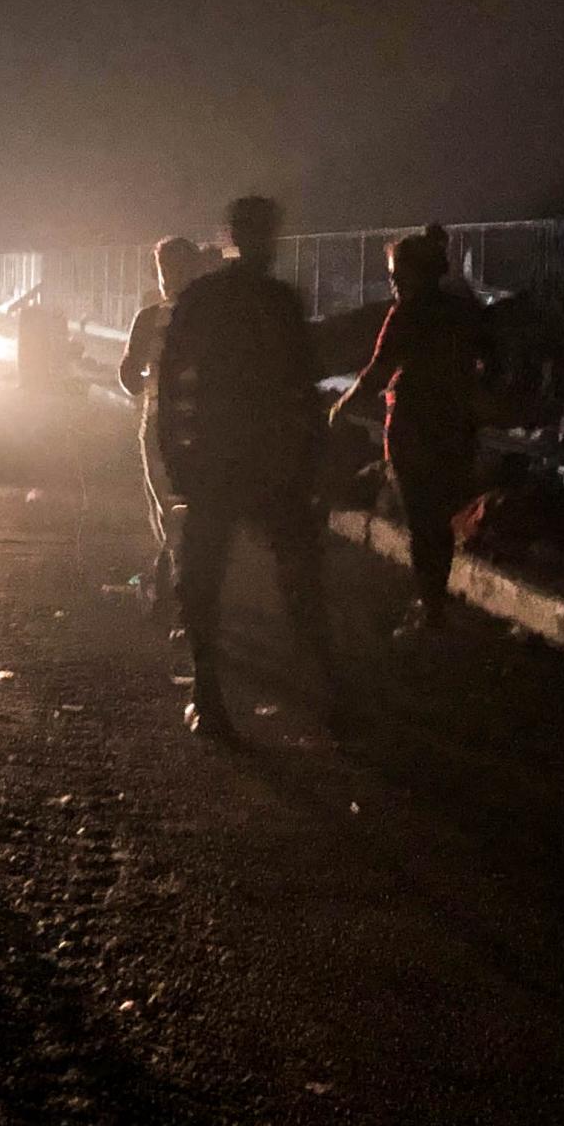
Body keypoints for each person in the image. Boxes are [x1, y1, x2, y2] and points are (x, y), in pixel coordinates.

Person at [156, 194, 330, 738]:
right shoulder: (281, 301)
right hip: (271, 459)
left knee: (204, 575)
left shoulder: (203, 299)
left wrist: (173, 450)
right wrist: (310, 457)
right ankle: (324, 688)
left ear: (230, 234)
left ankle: (208, 695)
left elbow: (168, 381)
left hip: (214, 457)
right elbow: (306, 386)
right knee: (299, 571)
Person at [333, 224, 486, 630]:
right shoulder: (461, 312)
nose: (394, 282)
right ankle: (433, 599)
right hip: (455, 427)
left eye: (397, 273)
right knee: (441, 518)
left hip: (415, 427)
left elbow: (378, 370)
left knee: (421, 520)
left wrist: (342, 407)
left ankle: (430, 606)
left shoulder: (408, 313)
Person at [118, 235, 204, 600]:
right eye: (164, 268)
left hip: (161, 427)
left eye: (170, 269)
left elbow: (128, 376)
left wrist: (149, 386)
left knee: (169, 508)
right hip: (202, 427)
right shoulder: (214, 320)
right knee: (195, 510)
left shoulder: (149, 318)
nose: (168, 276)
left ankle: (177, 580)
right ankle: (182, 578)